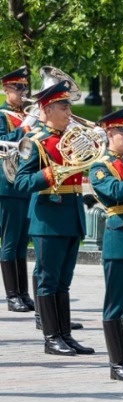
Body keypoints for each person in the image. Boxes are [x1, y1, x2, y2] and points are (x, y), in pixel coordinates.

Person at [14, 80, 94, 356]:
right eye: (63, 106)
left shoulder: (73, 137)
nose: (69, 111)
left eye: (69, 105)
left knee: (63, 281)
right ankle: (51, 338)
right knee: (49, 280)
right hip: (48, 218)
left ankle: (65, 334)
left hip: (71, 215)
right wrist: (51, 174)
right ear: (47, 108)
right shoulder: (35, 142)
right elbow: (21, 182)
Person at [89, 107, 123, 382]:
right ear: (110, 133)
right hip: (120, 238)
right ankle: (116, 362)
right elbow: (115, 194)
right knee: (116, 305)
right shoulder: (102, 166)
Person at [0, 66, 33, 312]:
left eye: (24, 87)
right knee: (10, 241)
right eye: (18, 88)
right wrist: (25, 127)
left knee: (22, 241)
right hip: (8, 185)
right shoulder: (2, 115)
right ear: (5, 89)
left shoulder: (27, 114)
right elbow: (5, 143)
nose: (23, 92)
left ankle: (23, 293)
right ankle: (12, 296)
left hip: (27, 184)